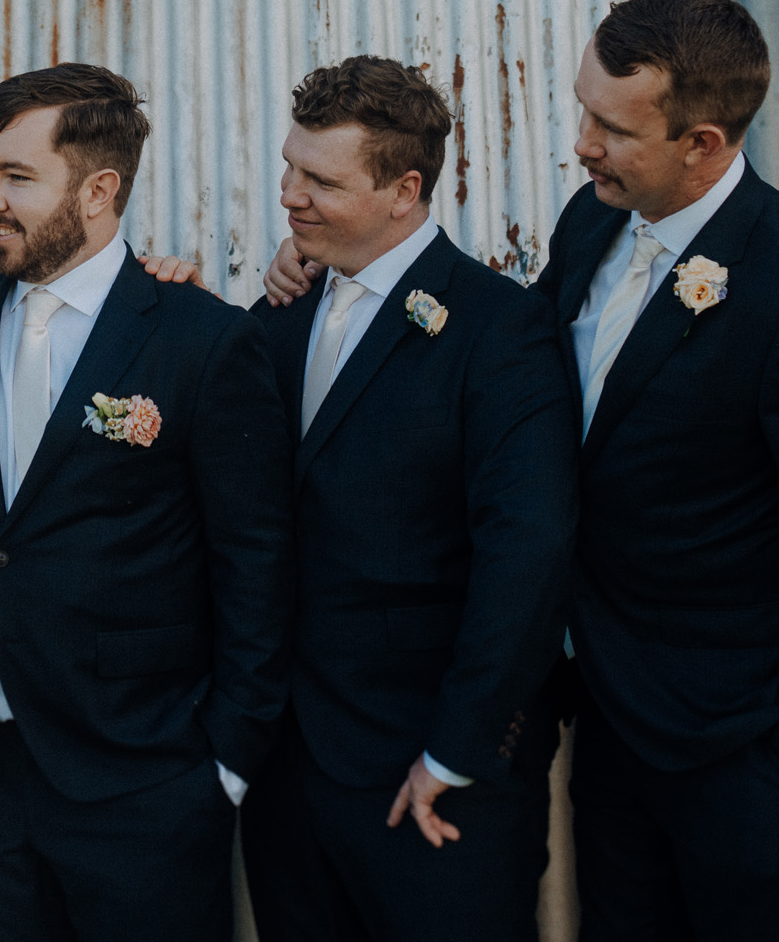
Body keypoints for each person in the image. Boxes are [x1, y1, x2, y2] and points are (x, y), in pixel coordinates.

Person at [274, 0, 779, 940]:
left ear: (702, 142)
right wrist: (317, 270)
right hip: (611, 725)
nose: (582, 143)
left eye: (612, 128)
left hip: (741, 750)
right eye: (584, 110)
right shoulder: (595, 221)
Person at [0, 63, 294, 942]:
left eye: (17, 177)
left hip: (147, 780)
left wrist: (226, 765)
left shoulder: (205, 339)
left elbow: (258, 560)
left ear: (99, 189)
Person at [239, 57, 575, 942]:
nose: (289, 195)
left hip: (427, 779)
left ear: (404, 190)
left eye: (319, 180)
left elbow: (526, 553)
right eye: (289, 167)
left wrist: (453, 754)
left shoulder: (499, 327)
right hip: (287, 768)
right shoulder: (278, 311)